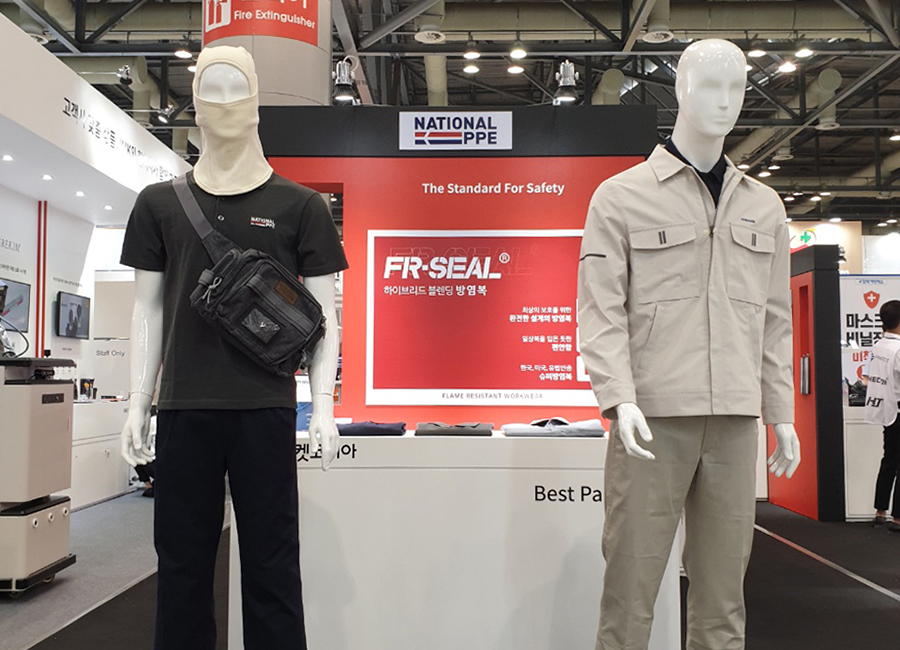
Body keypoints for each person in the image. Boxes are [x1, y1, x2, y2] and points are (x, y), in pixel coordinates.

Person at [119, 46, 347, 650]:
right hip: (183, 408)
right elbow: (147, 309)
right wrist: (138, 401)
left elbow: (325, 316)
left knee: (273, 567)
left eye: (235, 89)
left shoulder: (301, 206)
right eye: (210, 90)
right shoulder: (157, 204)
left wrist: (323, 406)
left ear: (256, 103)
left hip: (264, 409)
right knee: (182, 569)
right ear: (193, 104)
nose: (223, 103)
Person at [578, 39, 800, 650]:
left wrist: (779, 412)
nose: (726, 103)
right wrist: (619, 397)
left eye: (737, 88)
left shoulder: (764, 206)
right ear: (679, 90)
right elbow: (600, 311)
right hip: (652, 421)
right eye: (710, 86)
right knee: (629, 595)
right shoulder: (621, 196)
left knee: (724, 602)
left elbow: (775, 320)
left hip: (735, 422)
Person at [864, 299, 900, 532]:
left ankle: (880, 511)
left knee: (889, 461)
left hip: (887, 410)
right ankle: (897, 518)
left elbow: (867, 377)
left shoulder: (878, 346)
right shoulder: (898, 348)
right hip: (898, 408)